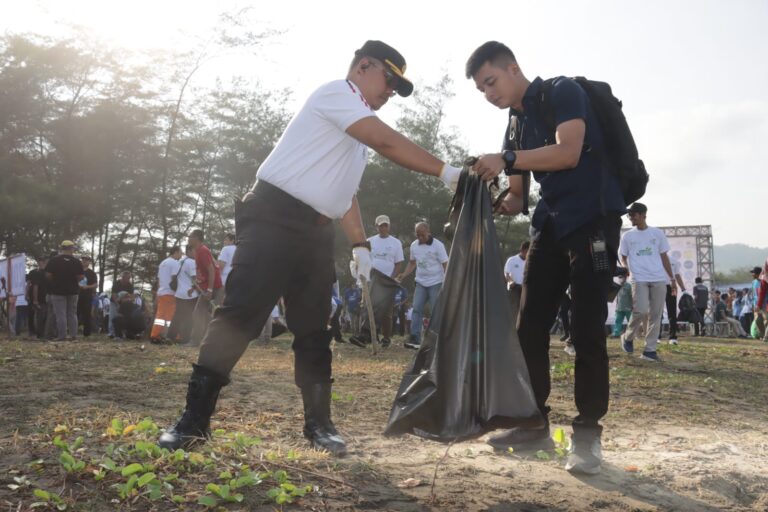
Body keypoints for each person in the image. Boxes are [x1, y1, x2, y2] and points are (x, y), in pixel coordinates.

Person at [157, 40, 463, 457]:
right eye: (388, 80)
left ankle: (319, 424)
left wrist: (359, 245)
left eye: (396, 86)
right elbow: (388, 143)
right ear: (363, 67)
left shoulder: (356, 130)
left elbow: (346, 193)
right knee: (240, 316)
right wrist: (447, 172)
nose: (390, 91)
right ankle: (193, 420)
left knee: (315, 329)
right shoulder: (337, 94)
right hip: (272, 218)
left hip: (316, 232)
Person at [465, 41, 626, 475]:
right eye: (482, 89)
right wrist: (489, 199)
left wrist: (508, 158)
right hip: (549, 227)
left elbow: (568, 151)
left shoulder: (562, 92)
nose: (489, 93)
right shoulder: (513, 128)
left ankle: (587, 437)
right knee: (528, 326)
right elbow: (519, 198)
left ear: (513, 69)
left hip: (593, 221)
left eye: (491, 82)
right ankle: (532, 423)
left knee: (585, 329)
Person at [619, 203, 675, 361]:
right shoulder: (627, 236)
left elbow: (664, 257)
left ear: (643, 215)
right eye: (629, 215)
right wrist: (625, 267)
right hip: (639, 278)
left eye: (633, 215)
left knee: (656, 315)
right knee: (641, 310)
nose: (630, 218)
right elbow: (622, 256)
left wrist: (672, 279)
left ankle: (649, 350)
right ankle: (628, 337)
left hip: (659, 278)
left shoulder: (657, 233)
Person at [396, 222, 449, 348]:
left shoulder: (438, 245)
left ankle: (435, 339)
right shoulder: (414, 246)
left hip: (436, 282)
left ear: (428, 232)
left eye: (422, 235)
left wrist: (448, 281)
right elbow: (412, 263)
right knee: (416, 309)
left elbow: (445, 264)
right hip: (420, 282)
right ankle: (415, 338)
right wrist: (404, 274)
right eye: (418, 235)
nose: (420, 238)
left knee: (435, 310)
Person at [368, 215, 404, 346]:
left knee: (387, 312)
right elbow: (365, 259)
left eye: (385, 225)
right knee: (371, 309)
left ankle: (386, 338)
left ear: (389, 226)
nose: (383, 228)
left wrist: (392, 278)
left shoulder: (396, 243)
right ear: (376, 226)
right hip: (372, 280)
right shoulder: (370, 241)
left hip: (388, 281)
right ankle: (373, 336)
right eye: (380, 226)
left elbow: (399, 263)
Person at [188, 229, 223, 347]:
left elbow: (212, 270)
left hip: (215, 288)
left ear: (196, 238)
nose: (188, 238)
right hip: (208, 288)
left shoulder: (203, 251)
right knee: (201, 313)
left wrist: (210, 290)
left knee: (207, 314)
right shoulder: (197, 251)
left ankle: (206, 341)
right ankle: (200, 340)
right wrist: (193, 287)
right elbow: (201, 273)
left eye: (190, 236)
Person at [45, 241, 85, 341]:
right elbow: (81, 276)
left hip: (57, 291)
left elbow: (48, 275)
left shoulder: (54, 260)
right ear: (71, 248)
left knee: (60, 314)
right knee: (72, 313)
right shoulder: (76, 261)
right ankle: (73, 336)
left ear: (62, 248)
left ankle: (62, 336)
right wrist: (74, 280)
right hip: (73, 291)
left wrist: (55, 280)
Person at [151, 246, 182, 343]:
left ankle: (156, 335)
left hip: (162, 292)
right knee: (170, 315)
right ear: (176, 252)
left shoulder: (163, 263)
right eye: (180, 253)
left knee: (161, 315)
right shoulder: (175, 263)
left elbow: (159, 280)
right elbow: (174, 278)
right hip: (170, 292)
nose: (181, 255)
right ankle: (171, 336)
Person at [167, 245, 198, 344]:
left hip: (179, 293)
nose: (196, 253)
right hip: (190, 294)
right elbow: (195, 279)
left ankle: (170, 337)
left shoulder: (180, 262)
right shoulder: (192, 262)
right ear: (189, 251)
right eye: (194, 250)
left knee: (177, 317)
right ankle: (185, 339)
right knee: (189, 317)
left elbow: (173, 276)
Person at [659, 257, 686, 345]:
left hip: (672, 287)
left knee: (672, 312)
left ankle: (673, 337)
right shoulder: (655, 259)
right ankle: (657, 336)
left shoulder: (674, 260)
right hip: (658, 286)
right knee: (657, 312)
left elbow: (677, 275)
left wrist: (683, 289)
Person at [503, 240, 530, 324]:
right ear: (523, 250)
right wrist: (511, 282)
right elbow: (506, 274)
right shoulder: (512, 260)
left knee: (524, 310)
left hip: (524, 289)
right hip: (514, 289)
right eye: (527, 251)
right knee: (514, 310)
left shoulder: (529, 262)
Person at [28, 256, 52, 340]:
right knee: (40, 316)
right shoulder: (36, 272)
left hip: (47, 297)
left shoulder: (49, 273)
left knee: (45, 316)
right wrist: (35, 300)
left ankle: (44, 334)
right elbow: (35, 286)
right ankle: (39, 334)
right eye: (40, 260)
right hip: (39, 298)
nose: (41, 262)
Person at [77, 256, 98, 338]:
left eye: (86, 260)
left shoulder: (92, 273)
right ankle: (73, 332)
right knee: (75, 313)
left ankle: (87, 333)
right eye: (83, 260)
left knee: (87, 314)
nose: (84, 261)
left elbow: (95, 284)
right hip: (76, 295)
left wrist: (87, 287)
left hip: (87, 296)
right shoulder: (77, 271)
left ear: (89, 262)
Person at [110, 272, 134, 338]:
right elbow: (114, 295)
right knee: (112, 317)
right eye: (127, 278)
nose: (128, 279)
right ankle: (111, 333)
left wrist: (125, 302)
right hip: (114, 302)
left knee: (122, 318)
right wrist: (118, 305)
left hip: (124, 304)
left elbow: (131, 297)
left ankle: (122, 332)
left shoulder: (130, 285)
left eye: (129, 278)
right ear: (123, 277)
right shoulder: (116, 284)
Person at [612, 270, 632, 338]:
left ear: (626, 277)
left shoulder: (629, 286)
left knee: (630, 321)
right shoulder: (617, 286)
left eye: (622, 277)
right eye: (619, 277)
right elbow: (617, 297)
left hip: (628, 307)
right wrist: (616, 307)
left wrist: (632, 306)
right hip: (619, 308)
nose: (620, 279)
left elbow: (632, 297)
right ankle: (616, 334)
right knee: (618, 321)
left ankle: (631, 334)